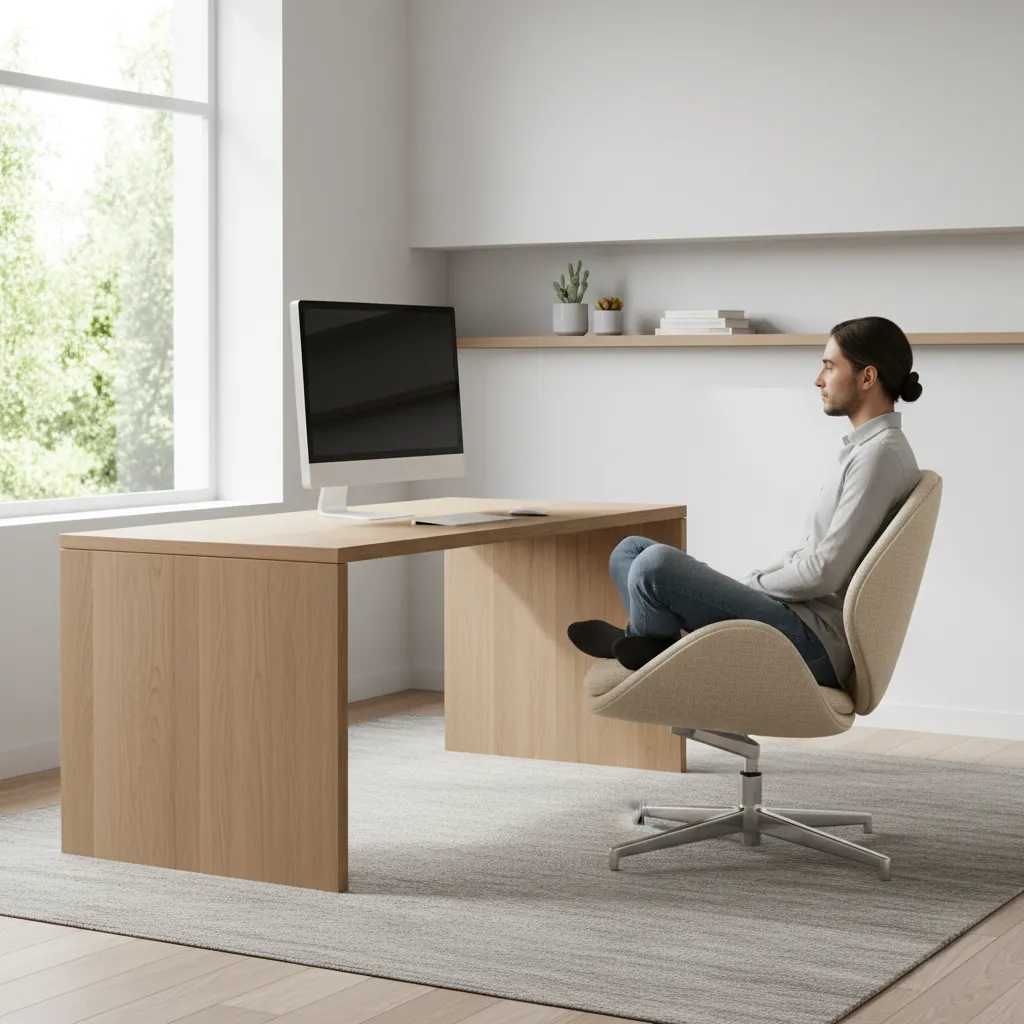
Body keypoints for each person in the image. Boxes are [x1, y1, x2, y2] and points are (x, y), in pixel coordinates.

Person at [567, 315, 924, 687]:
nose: (818, 379)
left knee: (654, 566)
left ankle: (653, 650)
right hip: (795, 615)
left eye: (829, 366)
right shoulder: (867, 450)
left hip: (815, 643)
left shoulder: (879, 457)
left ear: (867, 377)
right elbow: (812, 557)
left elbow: (824, 572)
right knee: (630, 550)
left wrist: (753, 583)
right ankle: (651, 645)